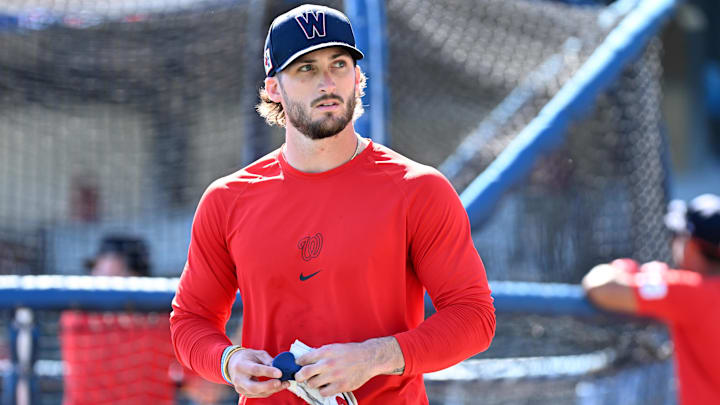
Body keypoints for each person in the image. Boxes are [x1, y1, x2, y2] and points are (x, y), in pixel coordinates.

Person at [170, 4, 496, 404]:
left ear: (357, 76)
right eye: (305, 68)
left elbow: (474, 318)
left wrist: (373, 357)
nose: (327, 81)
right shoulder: (227, 200)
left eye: (339, 64)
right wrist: (229, 361)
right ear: (274, 87)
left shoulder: (418, 189)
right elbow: (191, 321)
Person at [582, 193, 720, 405]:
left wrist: (627, 270)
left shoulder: (694, 292)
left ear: (691, 247)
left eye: (678, 236)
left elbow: (600, 286)